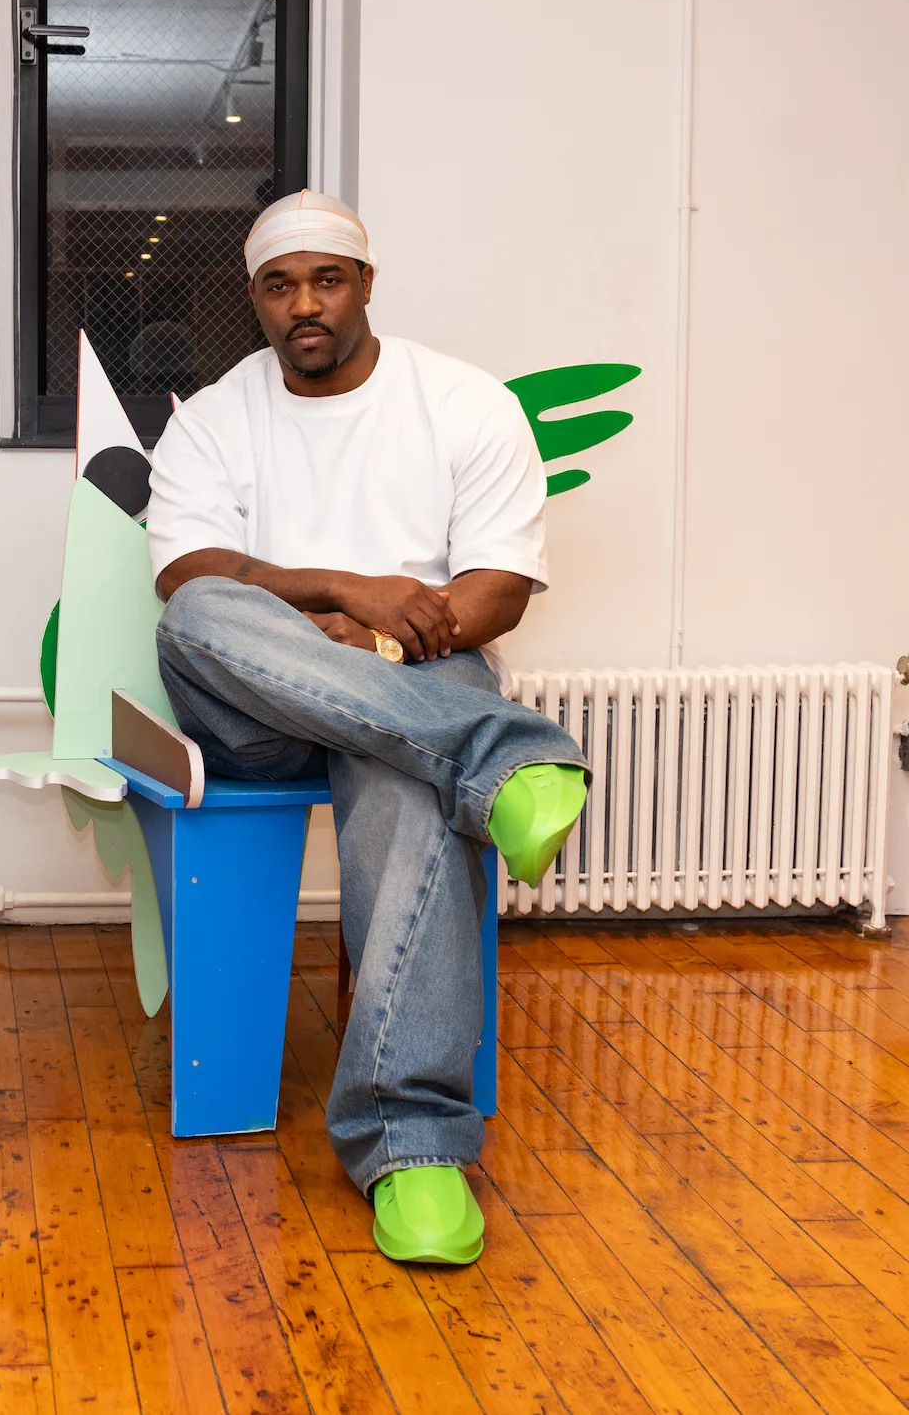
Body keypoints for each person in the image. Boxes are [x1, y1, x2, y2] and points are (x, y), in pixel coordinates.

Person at [145, 189, 591, 1267]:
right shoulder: (214, 415)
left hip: (406, 693)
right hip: (254, 710)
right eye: (278, 284)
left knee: (400, 781)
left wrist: (384, 645)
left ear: (365, 285)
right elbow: (191, 575)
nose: (304, 304)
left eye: (325, 279)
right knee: (201, 619)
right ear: (254, 297)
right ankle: (501, 757)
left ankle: (414, 1149)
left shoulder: (462, 404)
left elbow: (496, 589)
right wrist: (354, 591)